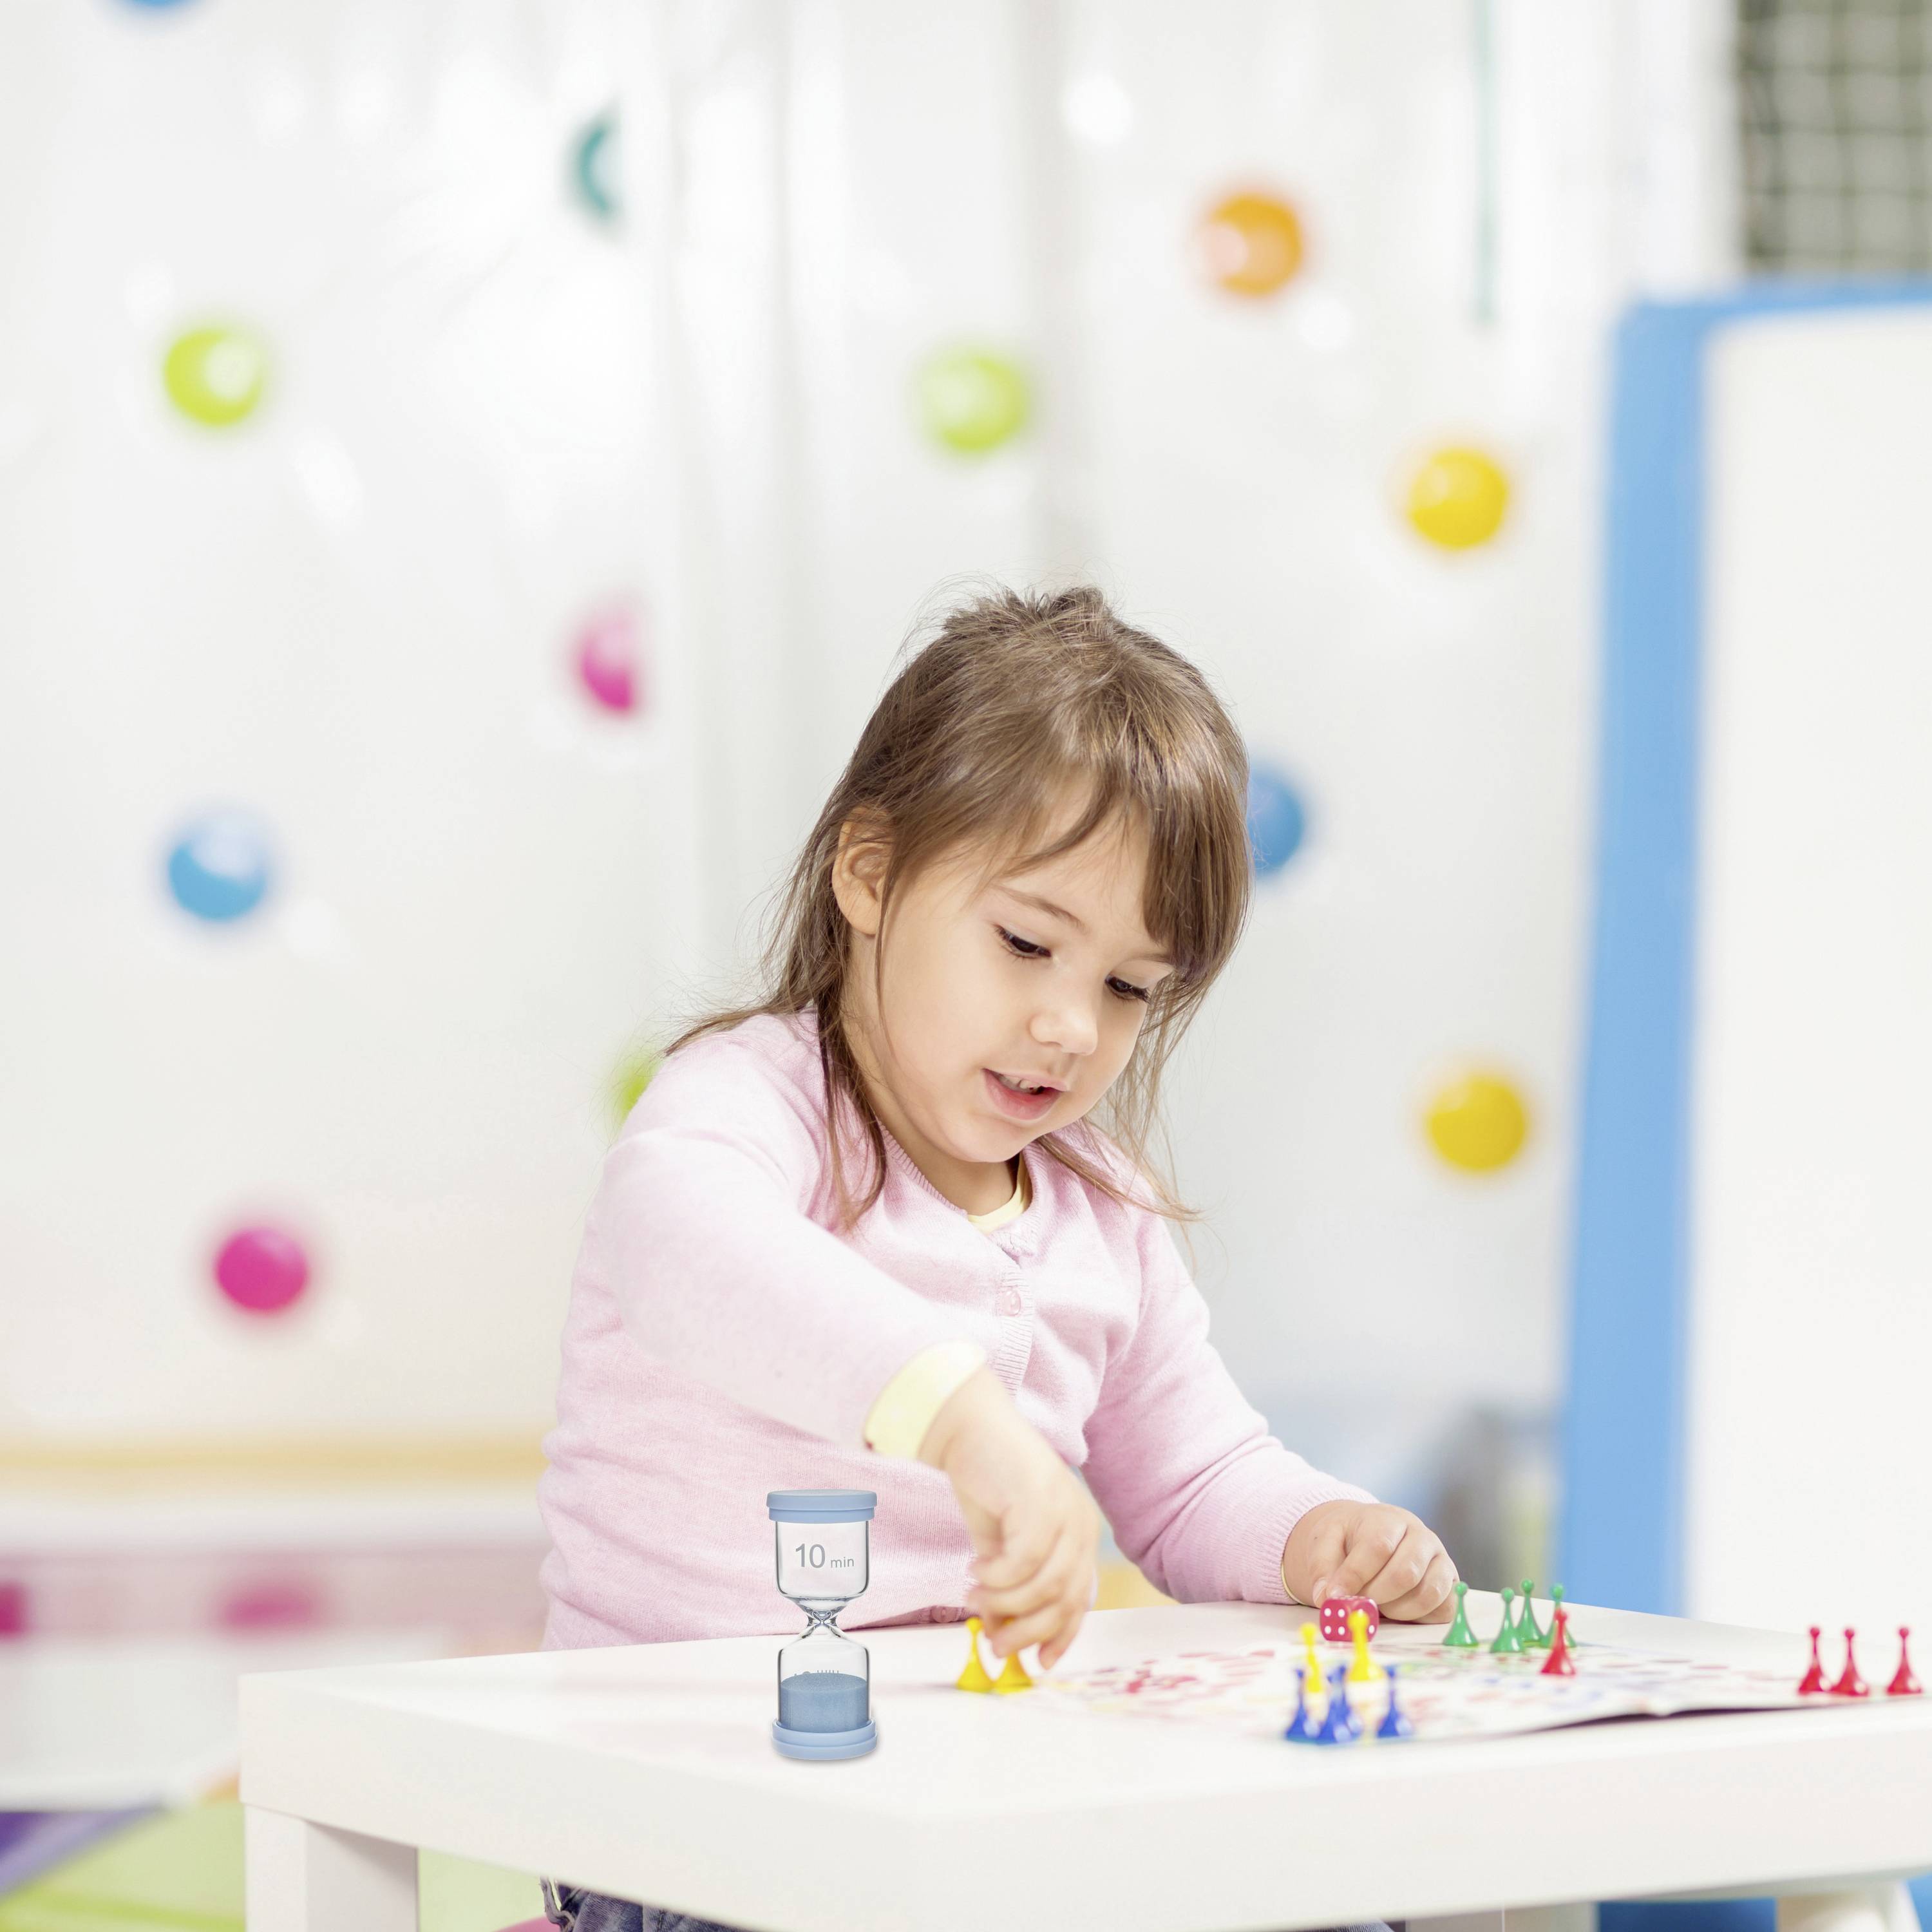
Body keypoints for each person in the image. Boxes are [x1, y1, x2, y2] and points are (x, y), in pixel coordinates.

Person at [537, 585, 1456, 1932]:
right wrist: (963, 1418)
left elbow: (1197, 1474)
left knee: (1338, 1904)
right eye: (1027, 943)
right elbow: (688, 1249)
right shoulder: (750, 1104)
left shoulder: (1103, 1208)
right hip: (690, 1817)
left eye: (1131, 988)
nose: (1069, 1025)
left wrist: (1324, 1540)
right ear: (868, 872)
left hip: (977, 1797)